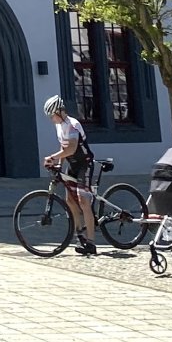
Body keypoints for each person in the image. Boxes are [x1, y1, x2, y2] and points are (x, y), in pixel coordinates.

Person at [42, 95, 97, 254]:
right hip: (73, 165)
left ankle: (91, 243)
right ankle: (79, 235)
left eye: (52, 115)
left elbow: (71, 149)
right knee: (70, 200)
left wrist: (52, 157)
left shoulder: (73, 125)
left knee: (83, 200)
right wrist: (59, 165)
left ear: (59, 111)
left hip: (84, 164)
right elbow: (63, 147)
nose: (51, 119)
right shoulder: (59, 126)